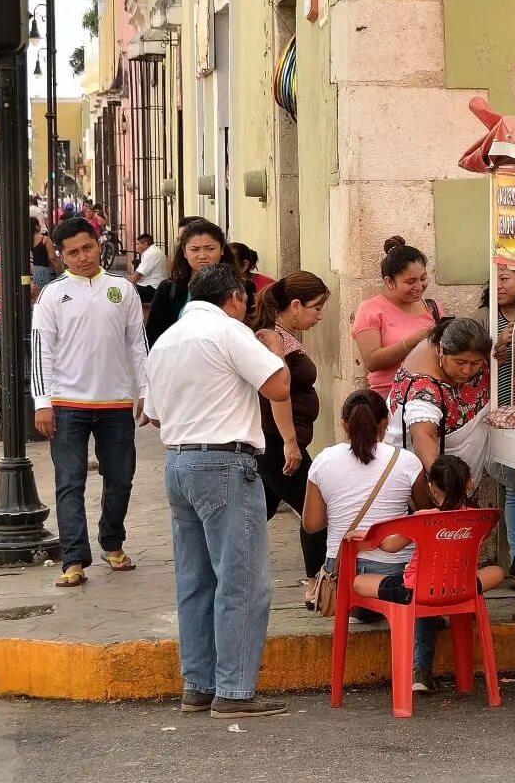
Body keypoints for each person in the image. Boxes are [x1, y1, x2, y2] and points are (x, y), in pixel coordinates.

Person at [144, 263, 291, 718]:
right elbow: (279, 386)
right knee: (242, 580)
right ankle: (234, 691)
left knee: (195, 580)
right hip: (225, 462)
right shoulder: (228, 331)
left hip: (179, 461)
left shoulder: (167, 340)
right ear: (235, 298)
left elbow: (153, 414)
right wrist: (275, 348)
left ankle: (199, 686)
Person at [30, 218, 149, 588]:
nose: (82, 257)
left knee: (121, 478)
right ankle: (74, 559)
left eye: (87, 248)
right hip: (66, 404)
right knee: (70, 482)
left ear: (99, 245)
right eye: (73, 252)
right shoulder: (52, 294)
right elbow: (41, 351)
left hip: (116, 402)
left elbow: (137, 344)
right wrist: (42, 402)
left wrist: (147, 391)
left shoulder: (122, 290)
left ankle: (112, 542)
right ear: (61, 256)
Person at [302, 390, 431, 690]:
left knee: (372, 600)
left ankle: (370, 610)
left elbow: (312, 524)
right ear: (385, 424)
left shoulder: (323, 460)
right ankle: (420, 670)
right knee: (420, 580)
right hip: (396, 577)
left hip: (344, 578)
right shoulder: (406, 461)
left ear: (344, 424)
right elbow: (424, 514)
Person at [350, 454, 507, 694]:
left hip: (415, 591)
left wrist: (363, 534)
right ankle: (428, 670)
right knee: (497, 572)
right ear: (470, 483)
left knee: (359, 582)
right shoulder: (479, 518)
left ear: (432, 488)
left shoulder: (424, 518)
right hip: (461, 589)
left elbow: (390, 546)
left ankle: (417, 671)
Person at [251, 271, 331, 587]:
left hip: (278, 440)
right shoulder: (273, 338)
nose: (319, 316)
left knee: (259, 511)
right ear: (296, 305)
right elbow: (278, 392)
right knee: (315, 510)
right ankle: (316, 582)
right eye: (316, 308)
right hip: (276, 440)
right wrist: (290, 442)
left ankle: (225, 562)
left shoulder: (284, 335)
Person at [387, 316, 492, 477]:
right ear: (441, 350)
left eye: (476, 363)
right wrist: (442, 479)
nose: (467, 370)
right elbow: (423, 435)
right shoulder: (424, 389)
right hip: (428, 483)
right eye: (460, 362)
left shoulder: (442, 340)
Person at [351, 237, 445, 399]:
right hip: (388, 397)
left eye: (423, 278)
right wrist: (414, 340)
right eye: (410, 282)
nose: (419, 287)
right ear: (389, 282)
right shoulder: (370, 309)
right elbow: (372, 361)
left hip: (431, 397)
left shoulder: (433, 307)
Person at [480, 266, 515, 562]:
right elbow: (471, 365)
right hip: (499, 412)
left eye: (506, 278)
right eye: (495, 278)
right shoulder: (485, 318)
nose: (499, 285)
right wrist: (496, 348)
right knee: (513, 487)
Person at [146, 219, 234, 348]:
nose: (202, 255)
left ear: (222, 249)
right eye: (195, 249)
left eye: (210, 249)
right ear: (184, 252)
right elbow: (153, 335)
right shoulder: (169, 288)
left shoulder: (238, 287)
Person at [127, 232, 167, 302]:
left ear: (145, 244)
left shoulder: (151, 253)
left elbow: (137, 276)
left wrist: (125, 283)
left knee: (124, 291)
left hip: (153, 289)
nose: (136, 247)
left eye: (138, 244)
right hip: (153, 287)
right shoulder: (153, 251)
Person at [30, 216, 62, 289]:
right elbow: (53, 258)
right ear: (36, 226)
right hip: (43, 271)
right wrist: (61, 272)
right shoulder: (44, 240)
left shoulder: (22, 240)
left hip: (27, 272)